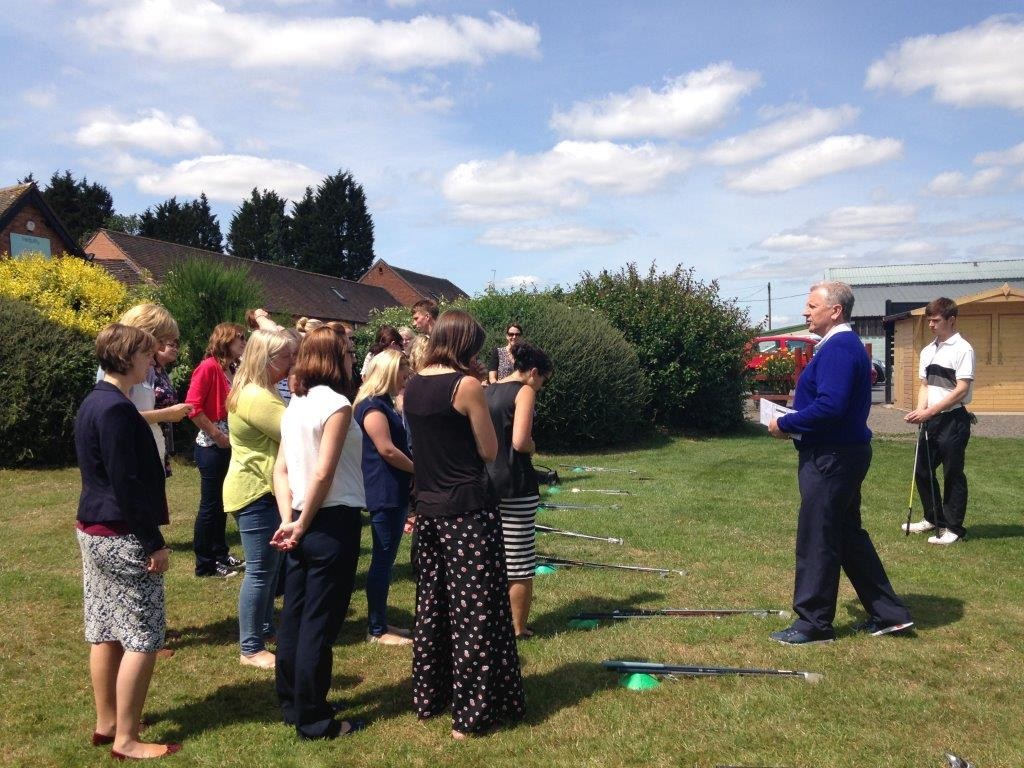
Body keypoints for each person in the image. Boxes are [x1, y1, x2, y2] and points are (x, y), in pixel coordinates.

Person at [402, 309, 525, 739]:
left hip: (429, 508)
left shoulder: (412, 384)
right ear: (464, 345)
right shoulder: (466, 385)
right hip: (468, 510)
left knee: (432, 607)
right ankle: (472, 715)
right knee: (477, 612)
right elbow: (490, 450)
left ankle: (429, 697)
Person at [768, 282, 913, 643]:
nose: (805, 312)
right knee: (847, 535)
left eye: (812, 305)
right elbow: (831, 400)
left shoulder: (838, 348)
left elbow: (831, 407)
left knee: (818, 536)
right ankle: (889, 614)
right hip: (843, 454)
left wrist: (785, 423)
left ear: (835, 311)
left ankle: (812, 623)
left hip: (831, 457)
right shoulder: (841, 346)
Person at [75, 324, 181, 759]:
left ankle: (108, 724)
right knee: (142, 635)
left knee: (104, 628)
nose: (152, 359)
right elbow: (127, 483)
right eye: (145, 353)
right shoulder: (116, 409)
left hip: (95, 529)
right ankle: (127, 739)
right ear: (126, 358)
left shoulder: (95, 400)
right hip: (121, 532)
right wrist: (153, 541)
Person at [271, 326, 365, 740]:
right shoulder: (337, 404)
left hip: (298, 518)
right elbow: (324, 472)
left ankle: (294, 703)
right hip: (328, 520)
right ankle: (313, 718)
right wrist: (302, 522)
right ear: (335, 358)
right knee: (318, 622)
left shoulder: (297, 403)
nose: (351, 359)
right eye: (347, 352)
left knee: (295, 615)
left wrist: (289, 519)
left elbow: (283, 469)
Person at [224, 329, 298, 669]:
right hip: (256, 491)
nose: (293, 364)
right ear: (266, 359)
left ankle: (264, 629)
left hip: (256, 489)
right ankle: (250, 648)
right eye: (287, 358)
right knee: (259, 571)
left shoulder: (254, 390)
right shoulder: (257, 397)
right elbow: (296, 433)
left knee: (269, 569)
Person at [485, 341, 553, 639]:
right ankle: (518, 627)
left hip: (487, 482)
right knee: (520, 561)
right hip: (516, 483)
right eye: (542, 382)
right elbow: (520, 441)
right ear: (533, 372)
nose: (540, 387)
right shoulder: (524, 391)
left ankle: (492, 620)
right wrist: (534, 446)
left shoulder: (489, 389)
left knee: (493, 557)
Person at [353, 350, 415, 646]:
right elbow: (386, 449)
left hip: (394, 489)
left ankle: (381, 622)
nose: (407, 376)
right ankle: (377, 629)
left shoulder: (383, 403)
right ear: (390, 371)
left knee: (386, 560)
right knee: (382, 561)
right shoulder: (373, 407)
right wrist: (419, 469)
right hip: (385, 491)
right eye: (404, 371)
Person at [903, 297, 976, 545]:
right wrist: (919, 411)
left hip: (954, 419)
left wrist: (930, 411)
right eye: (929, 320)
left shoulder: (963, 349)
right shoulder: (927, 350)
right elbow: (925, 385)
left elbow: (961, 390)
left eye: (935, 320)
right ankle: (933, 518)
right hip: (931, 419)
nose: (931, 325)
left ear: (951, 320)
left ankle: (953, 529)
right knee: (922, 470)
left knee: (952, 473)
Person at [186, 322, 247, 578]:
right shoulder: (208, 367)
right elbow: (193, 407)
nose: (243, 342)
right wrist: (216, 434)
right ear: (225, 341)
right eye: (239, 339)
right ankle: (205, 563)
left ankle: (220, 553)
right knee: (210, 505)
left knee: (223, 502)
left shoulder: (232, 368)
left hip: (227, 444)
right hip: (212, 445)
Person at [101, 304, 193, 469]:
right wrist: (167, 414)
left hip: (148, 451)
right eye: (160, 340)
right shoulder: (119, 367)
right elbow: (120, 417)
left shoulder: (146, 366)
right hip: (132, 456)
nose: (161, 347)